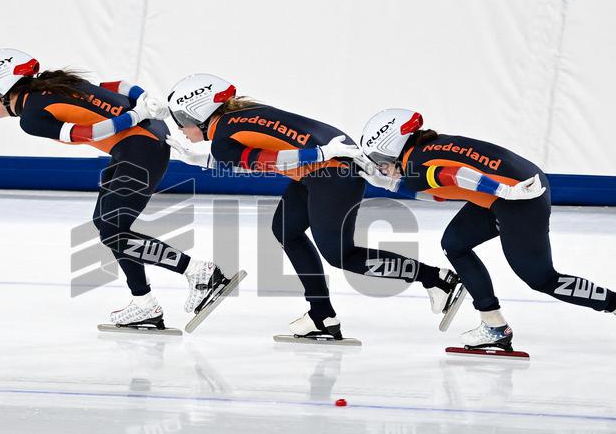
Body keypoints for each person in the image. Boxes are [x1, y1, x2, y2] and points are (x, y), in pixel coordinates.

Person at [163, 74, 460, 340]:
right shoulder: (242, 114)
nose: (180, 128)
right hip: (325, 169)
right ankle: (321, 314)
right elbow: (257, 152)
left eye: (180, 118)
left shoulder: (225, 137)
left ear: (197, 113)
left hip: (329, 175)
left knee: (341, 255)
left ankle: (437, 279)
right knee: (285, 229)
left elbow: (271, 162)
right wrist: (195, 160)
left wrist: (322, 153)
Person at [356, 108, 616, 352]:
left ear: (394, 147)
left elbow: (459, 175)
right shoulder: (428, 147)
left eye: (382, 159)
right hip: (513, 190)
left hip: (519, 199)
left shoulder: (418, 166)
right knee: (455, 242)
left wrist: (506, 192)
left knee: (541, 278)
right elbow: (442, 186)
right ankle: (493, 324)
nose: (382, 165)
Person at [0, 49, 234, 330]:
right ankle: (144, 304)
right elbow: (114, 86)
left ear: (2, 87)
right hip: (141, 143)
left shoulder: (32, 117)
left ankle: (199, 272)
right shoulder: (54, 83)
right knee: (107, 225)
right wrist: (141, 97)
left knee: (113, 231)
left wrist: (135, 113)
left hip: (139, 147)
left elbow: (90, 133)